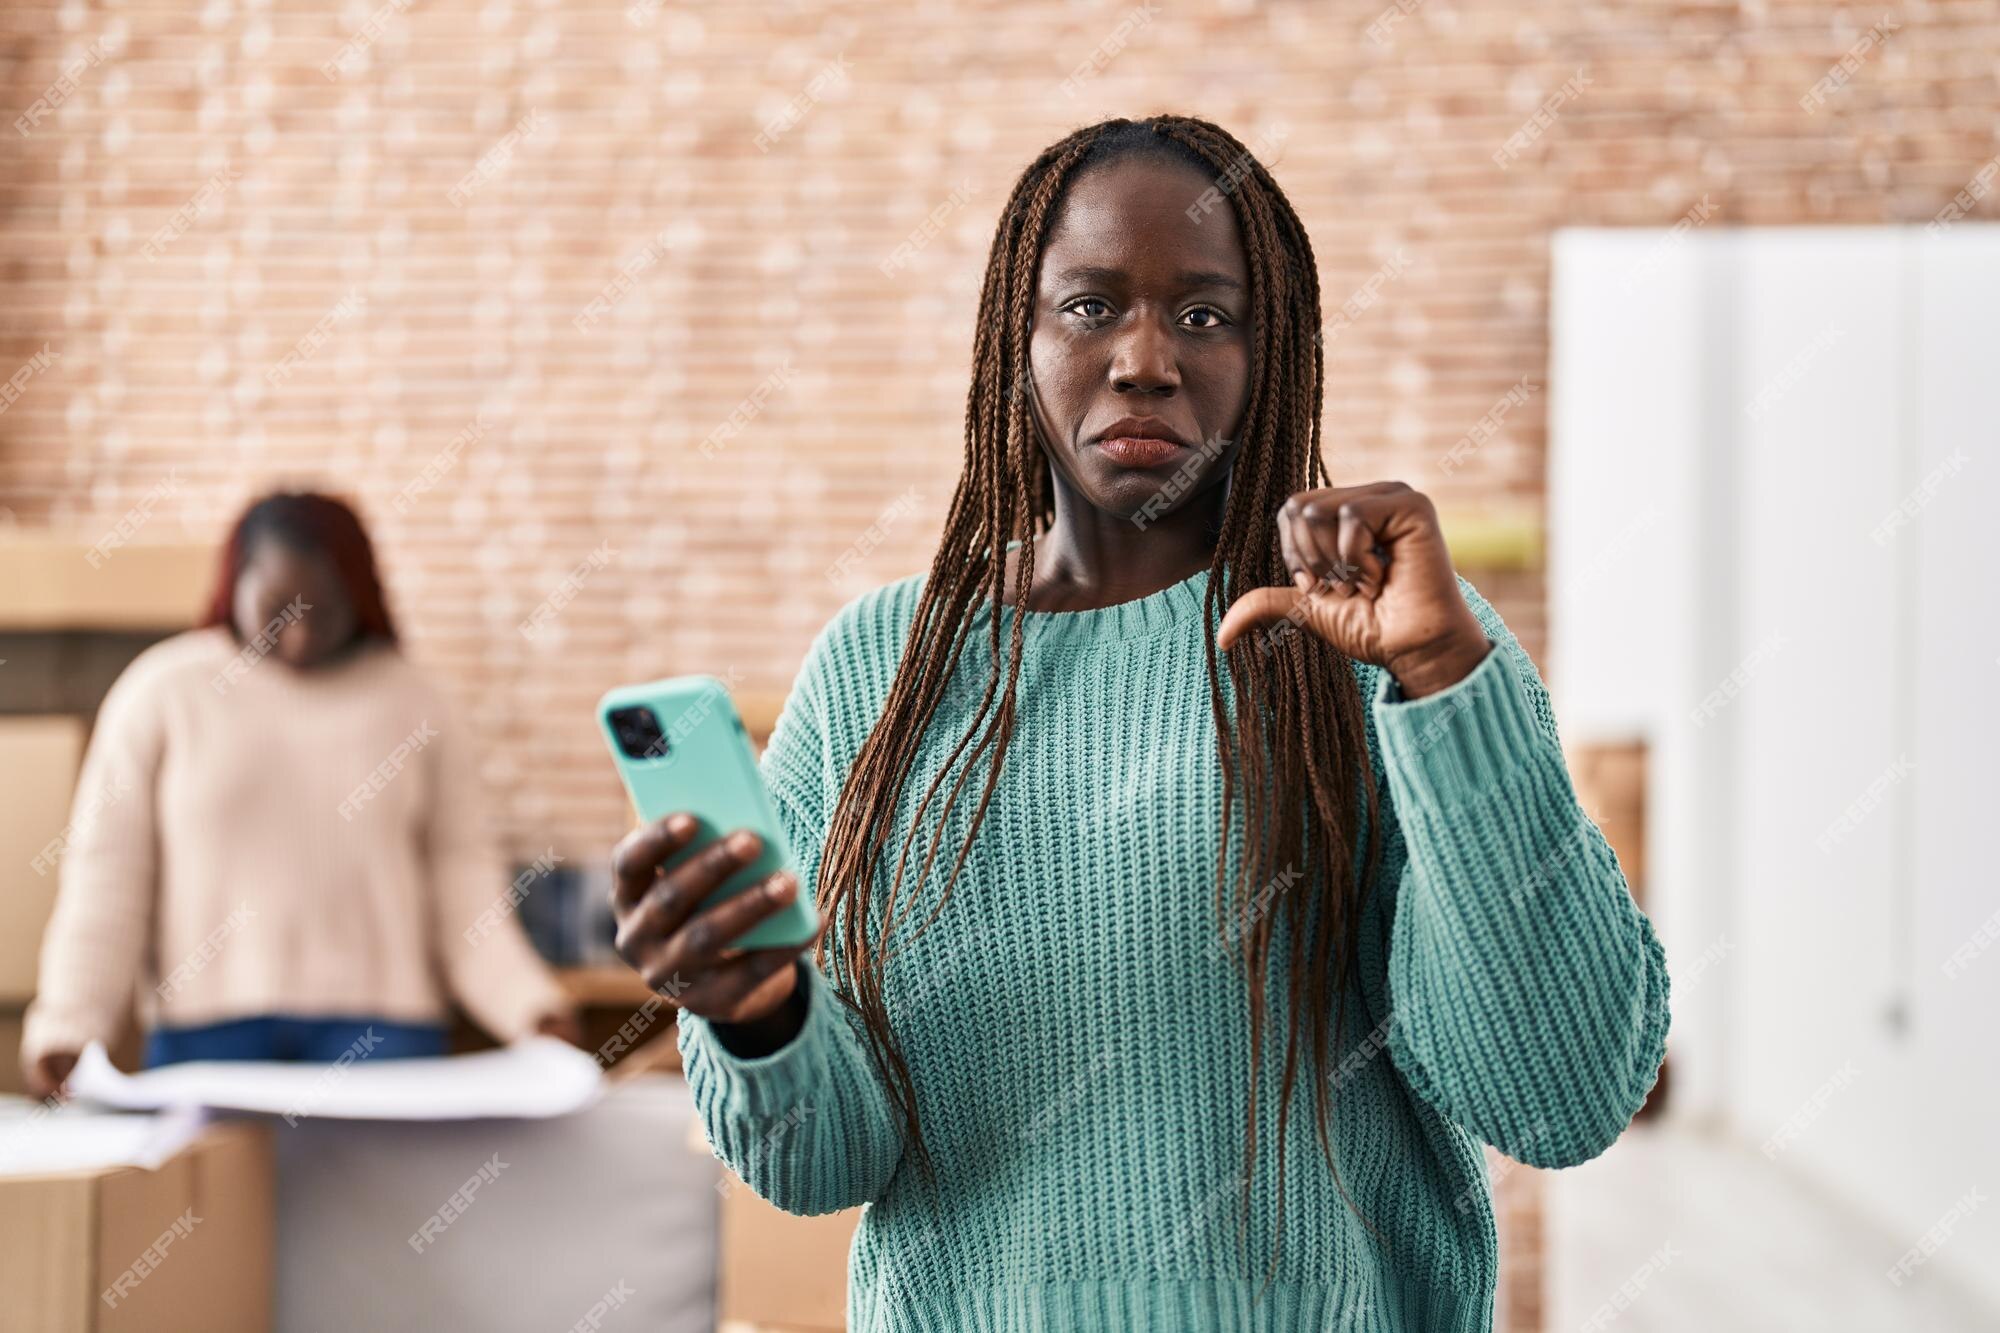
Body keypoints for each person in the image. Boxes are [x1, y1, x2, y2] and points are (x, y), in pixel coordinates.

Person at [610, 116, 1668, 1332]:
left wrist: (1441, 674)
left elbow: (1561, 1096)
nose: (1144, 359)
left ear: (1276, 355)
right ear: (1018, 339)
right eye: (1089, 306)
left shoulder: (1373, 641)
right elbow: (816, 1167)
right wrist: (753, 1012)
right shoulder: (882, 669)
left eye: (1205, 315)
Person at [22, 491, 579, 1098]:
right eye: (278, 610)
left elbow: (465, 887)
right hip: (208, 1041)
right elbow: (107, 883)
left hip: (383, 1041)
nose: (301, 636)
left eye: (326, 611)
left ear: (361, 599)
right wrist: (68, 1025)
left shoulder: (418, 702)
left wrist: (530, 1009)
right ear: (234, 586)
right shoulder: (161, 693)